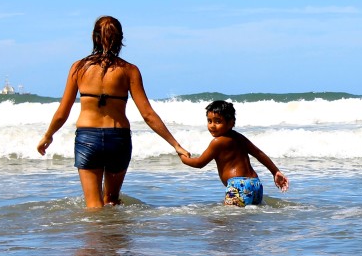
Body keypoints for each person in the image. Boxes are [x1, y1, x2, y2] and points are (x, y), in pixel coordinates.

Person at [37, 15, 190, 208]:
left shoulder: (78, 68)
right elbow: (148, 114)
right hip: (118, 139)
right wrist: (175, 145)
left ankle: (96, 237)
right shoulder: (129, 70)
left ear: (94, 38)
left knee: (93, 206)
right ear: (121, 39)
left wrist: (48, 136)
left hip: (88, 139)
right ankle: (114, 238)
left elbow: (62, 112)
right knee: (111, 201)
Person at [179, 100, 289, 206]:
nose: (212, 125)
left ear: (231, 123)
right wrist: (275, 171)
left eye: (218, 121)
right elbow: (258, 153)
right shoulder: (239, 137)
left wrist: (183, 158)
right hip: (255, 184)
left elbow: (199, 163)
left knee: (225, 223)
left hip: (238, 185)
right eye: (209, 121)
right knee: (246, 222)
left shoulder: (217, 142)